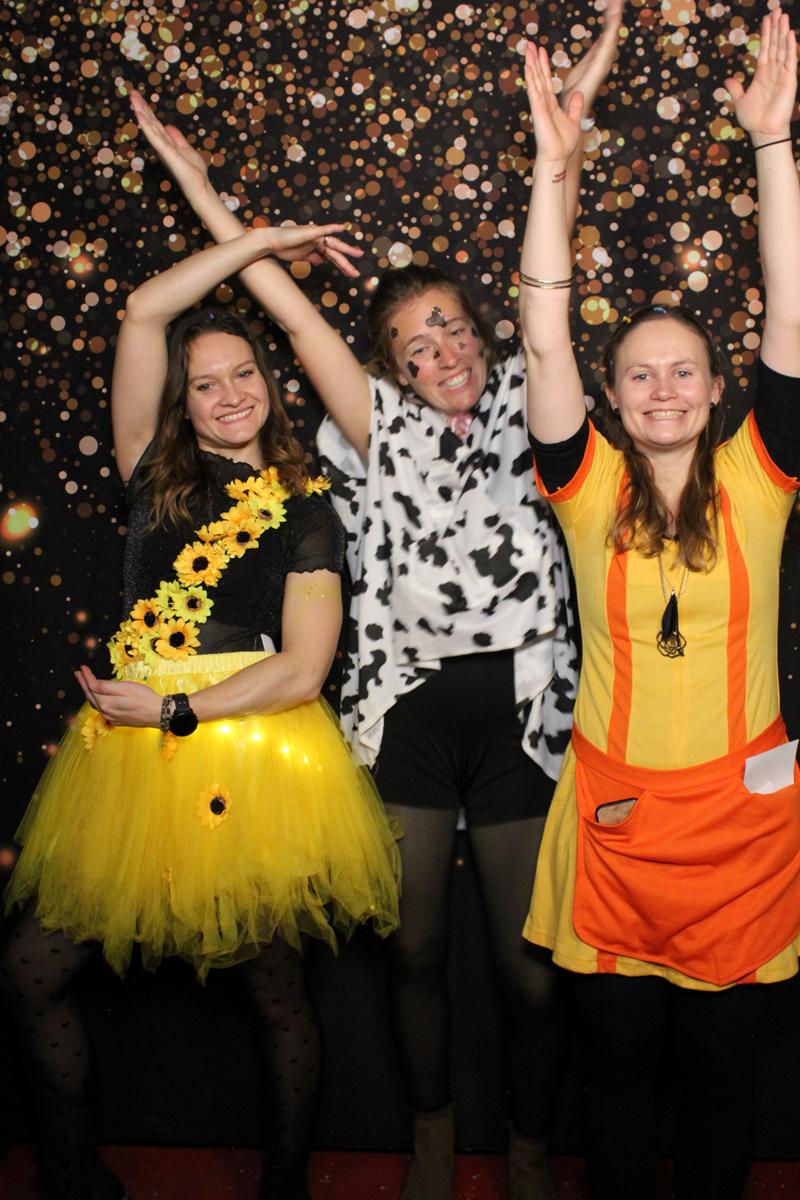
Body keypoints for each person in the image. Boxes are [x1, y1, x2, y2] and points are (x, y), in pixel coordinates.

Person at [129, 12, 623, 1197]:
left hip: (518, 715)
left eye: (449, 323)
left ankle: (526, 1150)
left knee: (529, 975)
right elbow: (288, 308)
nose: (436, 345)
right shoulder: (377, 426)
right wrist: (199, 188)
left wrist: (563, 140)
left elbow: (545, 277)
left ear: (480, 332)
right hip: (406, 717)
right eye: (409, 338)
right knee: (410, 953)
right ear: (388, 366)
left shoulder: (536, 402)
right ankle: (432, 1141)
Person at [0, 224, 401, 1200]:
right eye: (205, 383)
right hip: (126, 760)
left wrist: (173, 708)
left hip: (245, 752)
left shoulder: (307, 509)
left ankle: (285, 1180)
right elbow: (145, 311)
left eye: (243, 375)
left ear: (270, 383)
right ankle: (71, 1173)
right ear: (181, 400)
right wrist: (266, 240)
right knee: (30, 971)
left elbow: (303, 671)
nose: (228, 396)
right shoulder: (150, 471)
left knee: (275, 993)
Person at [520, 8, 800, 1199]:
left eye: (682, 369)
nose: (661, 388)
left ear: (716, 386)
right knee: (619, 1071)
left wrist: (771, 143)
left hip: (741, 828)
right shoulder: (586, 488)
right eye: (637, 373)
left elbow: (792, 314)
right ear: (615, 396)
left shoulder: (759, 478)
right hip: (616, 825)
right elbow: (541, 341)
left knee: (722, 1076)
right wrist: (551, 171)